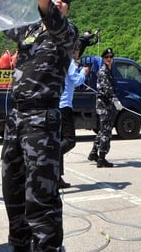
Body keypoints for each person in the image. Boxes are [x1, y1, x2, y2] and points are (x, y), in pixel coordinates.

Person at [0, 0, 78, 252]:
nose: (59, 1)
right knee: (13, 189)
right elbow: (7, 18)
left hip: (42, 120)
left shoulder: (68, 33)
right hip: (16, 119)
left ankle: (48, 248)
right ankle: (19, 245)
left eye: (63, 0)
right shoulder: (31, 31)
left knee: (41, 198)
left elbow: (56, 24)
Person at [58, 43, 88, 189]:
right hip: (64, 106)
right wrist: (83, 72)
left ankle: (57, 176)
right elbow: (76, 81)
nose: (78, 54)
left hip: (58, 104)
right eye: (77, 51)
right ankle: (52, 156)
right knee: (69, 140)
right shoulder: (70, 63)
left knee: (61, 139)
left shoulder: (61, 60)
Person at [87, 47, 119, 168]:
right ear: (103, 59)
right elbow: (107, 89)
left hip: (107, 105)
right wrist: (115, 99)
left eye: (111, 57)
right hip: (104, 106)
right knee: (106, 132)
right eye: (107, 57)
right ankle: (101, 158)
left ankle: (94, 153)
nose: (109, 59)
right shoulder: (103, 71)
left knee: (102, 130)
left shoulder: (109, 70)